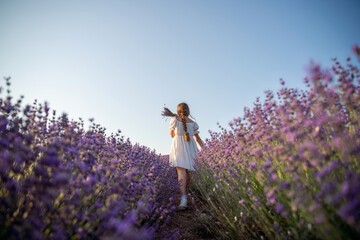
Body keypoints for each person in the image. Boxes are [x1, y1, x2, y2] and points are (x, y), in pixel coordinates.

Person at [162, 103, 204, 209]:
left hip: (179, 147)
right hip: (191, 147)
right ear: (188, 111)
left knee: (181, 173)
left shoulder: (175, 120)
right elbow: (197, 139)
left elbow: (172, 135)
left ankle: (184, 199)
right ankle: (188, 192)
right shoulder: (193, 123)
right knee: (188, 171)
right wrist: (207, 150)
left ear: (178, 111)